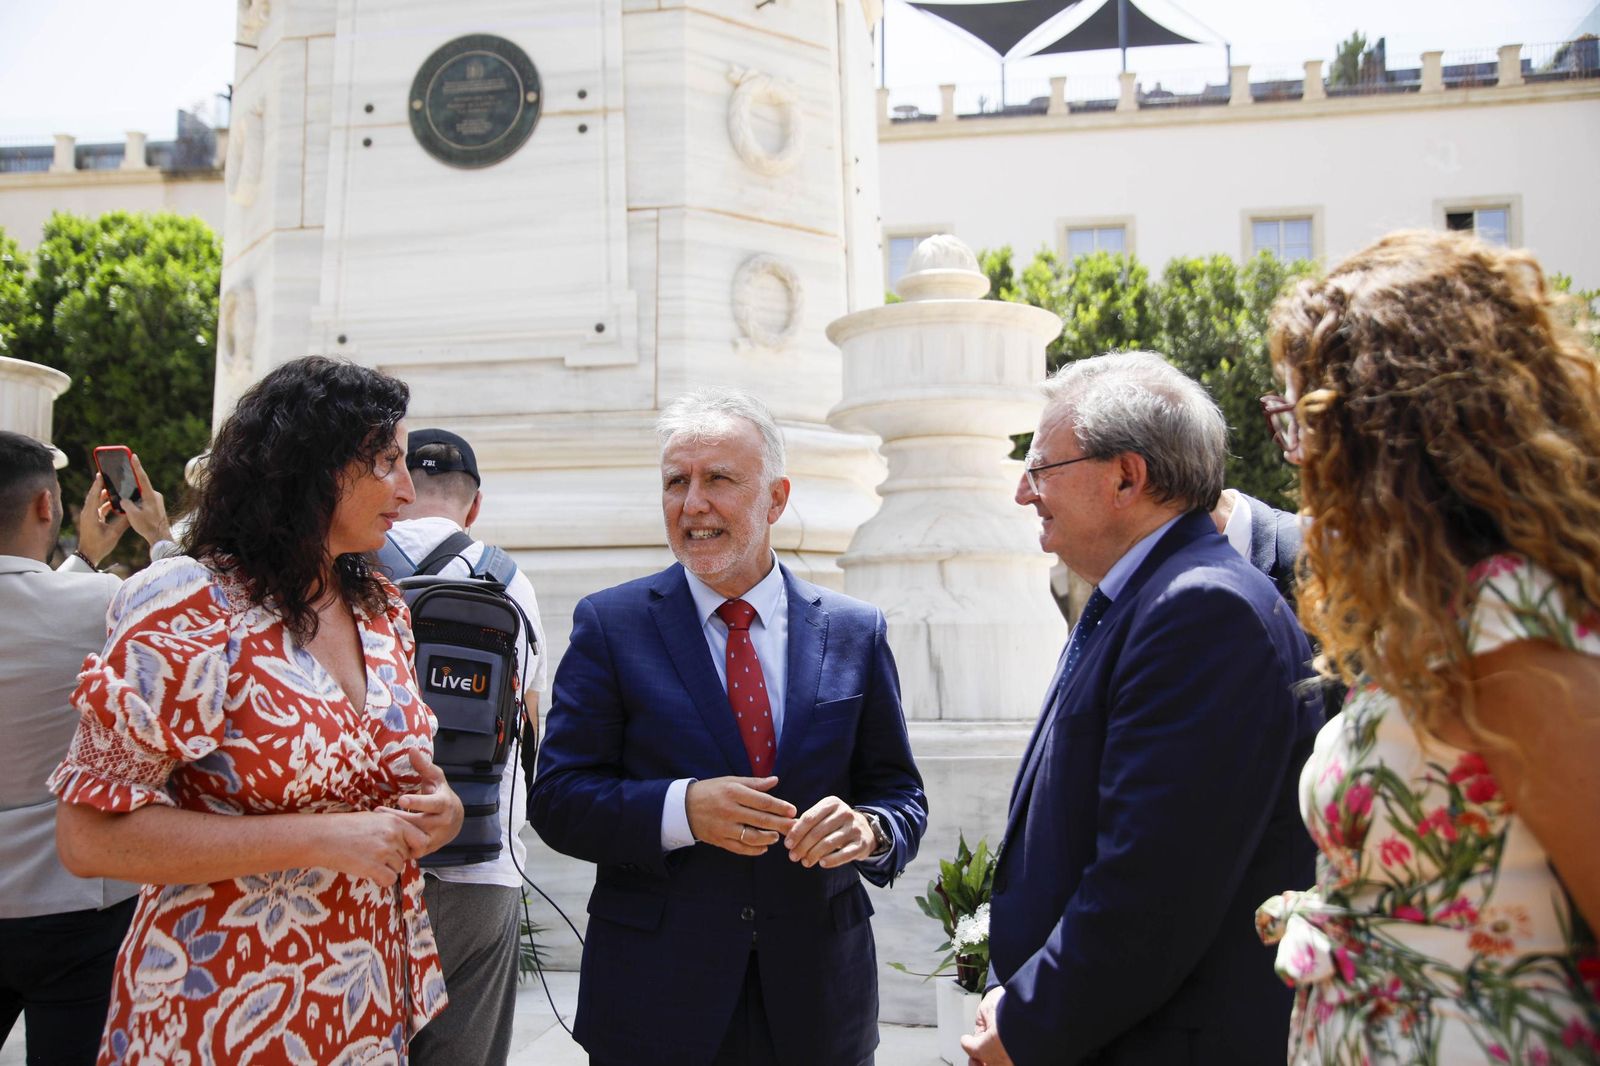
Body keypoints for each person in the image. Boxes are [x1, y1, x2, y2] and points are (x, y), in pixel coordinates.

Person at [48, 356, 463, 1064]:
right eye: (386, 462)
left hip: (359, 1001)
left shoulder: (382, 606)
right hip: (217, 1003)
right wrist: (314, 839)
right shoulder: (188, 604)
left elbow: (380, 774)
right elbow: (89, 838)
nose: (405, 487)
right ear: (313, 467)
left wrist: (442, 807)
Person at [1255, 230, 1600, 1064]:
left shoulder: (1508, 622)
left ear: (1391, 432)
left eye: (1303, 419)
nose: (1297, 454)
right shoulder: (1439, 613)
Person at [529, 387, 927, 1066]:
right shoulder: (611, 625)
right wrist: (681, 809)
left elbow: (900, 795)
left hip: (817, 1003)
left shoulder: (855, 631)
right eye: (676, 482)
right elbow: (559, 801)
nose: (692, 505)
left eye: (718, 479)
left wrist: (870, 831)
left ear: (775, 499)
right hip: (654, 1002)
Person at [965, 351, 1322, 1066]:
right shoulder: (1147, 596)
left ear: (1126, 476)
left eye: (1040, 469)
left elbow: (1152, 887)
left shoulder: (1200, 609)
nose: (1022, 494)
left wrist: (1032, 1019)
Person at [0, 434, 176, 1064]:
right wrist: (159, 535)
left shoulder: (90, 592)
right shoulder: (105, 604)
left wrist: (83, 558)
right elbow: (207, 610)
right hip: (79, 901)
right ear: (46, 507)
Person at [383, 428, 548, 1066]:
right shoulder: (510, 582)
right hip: (483, 861)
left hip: (368, 854)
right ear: (473, 507)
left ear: (397, 490)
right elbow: (529, 719)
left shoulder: (351, 567)